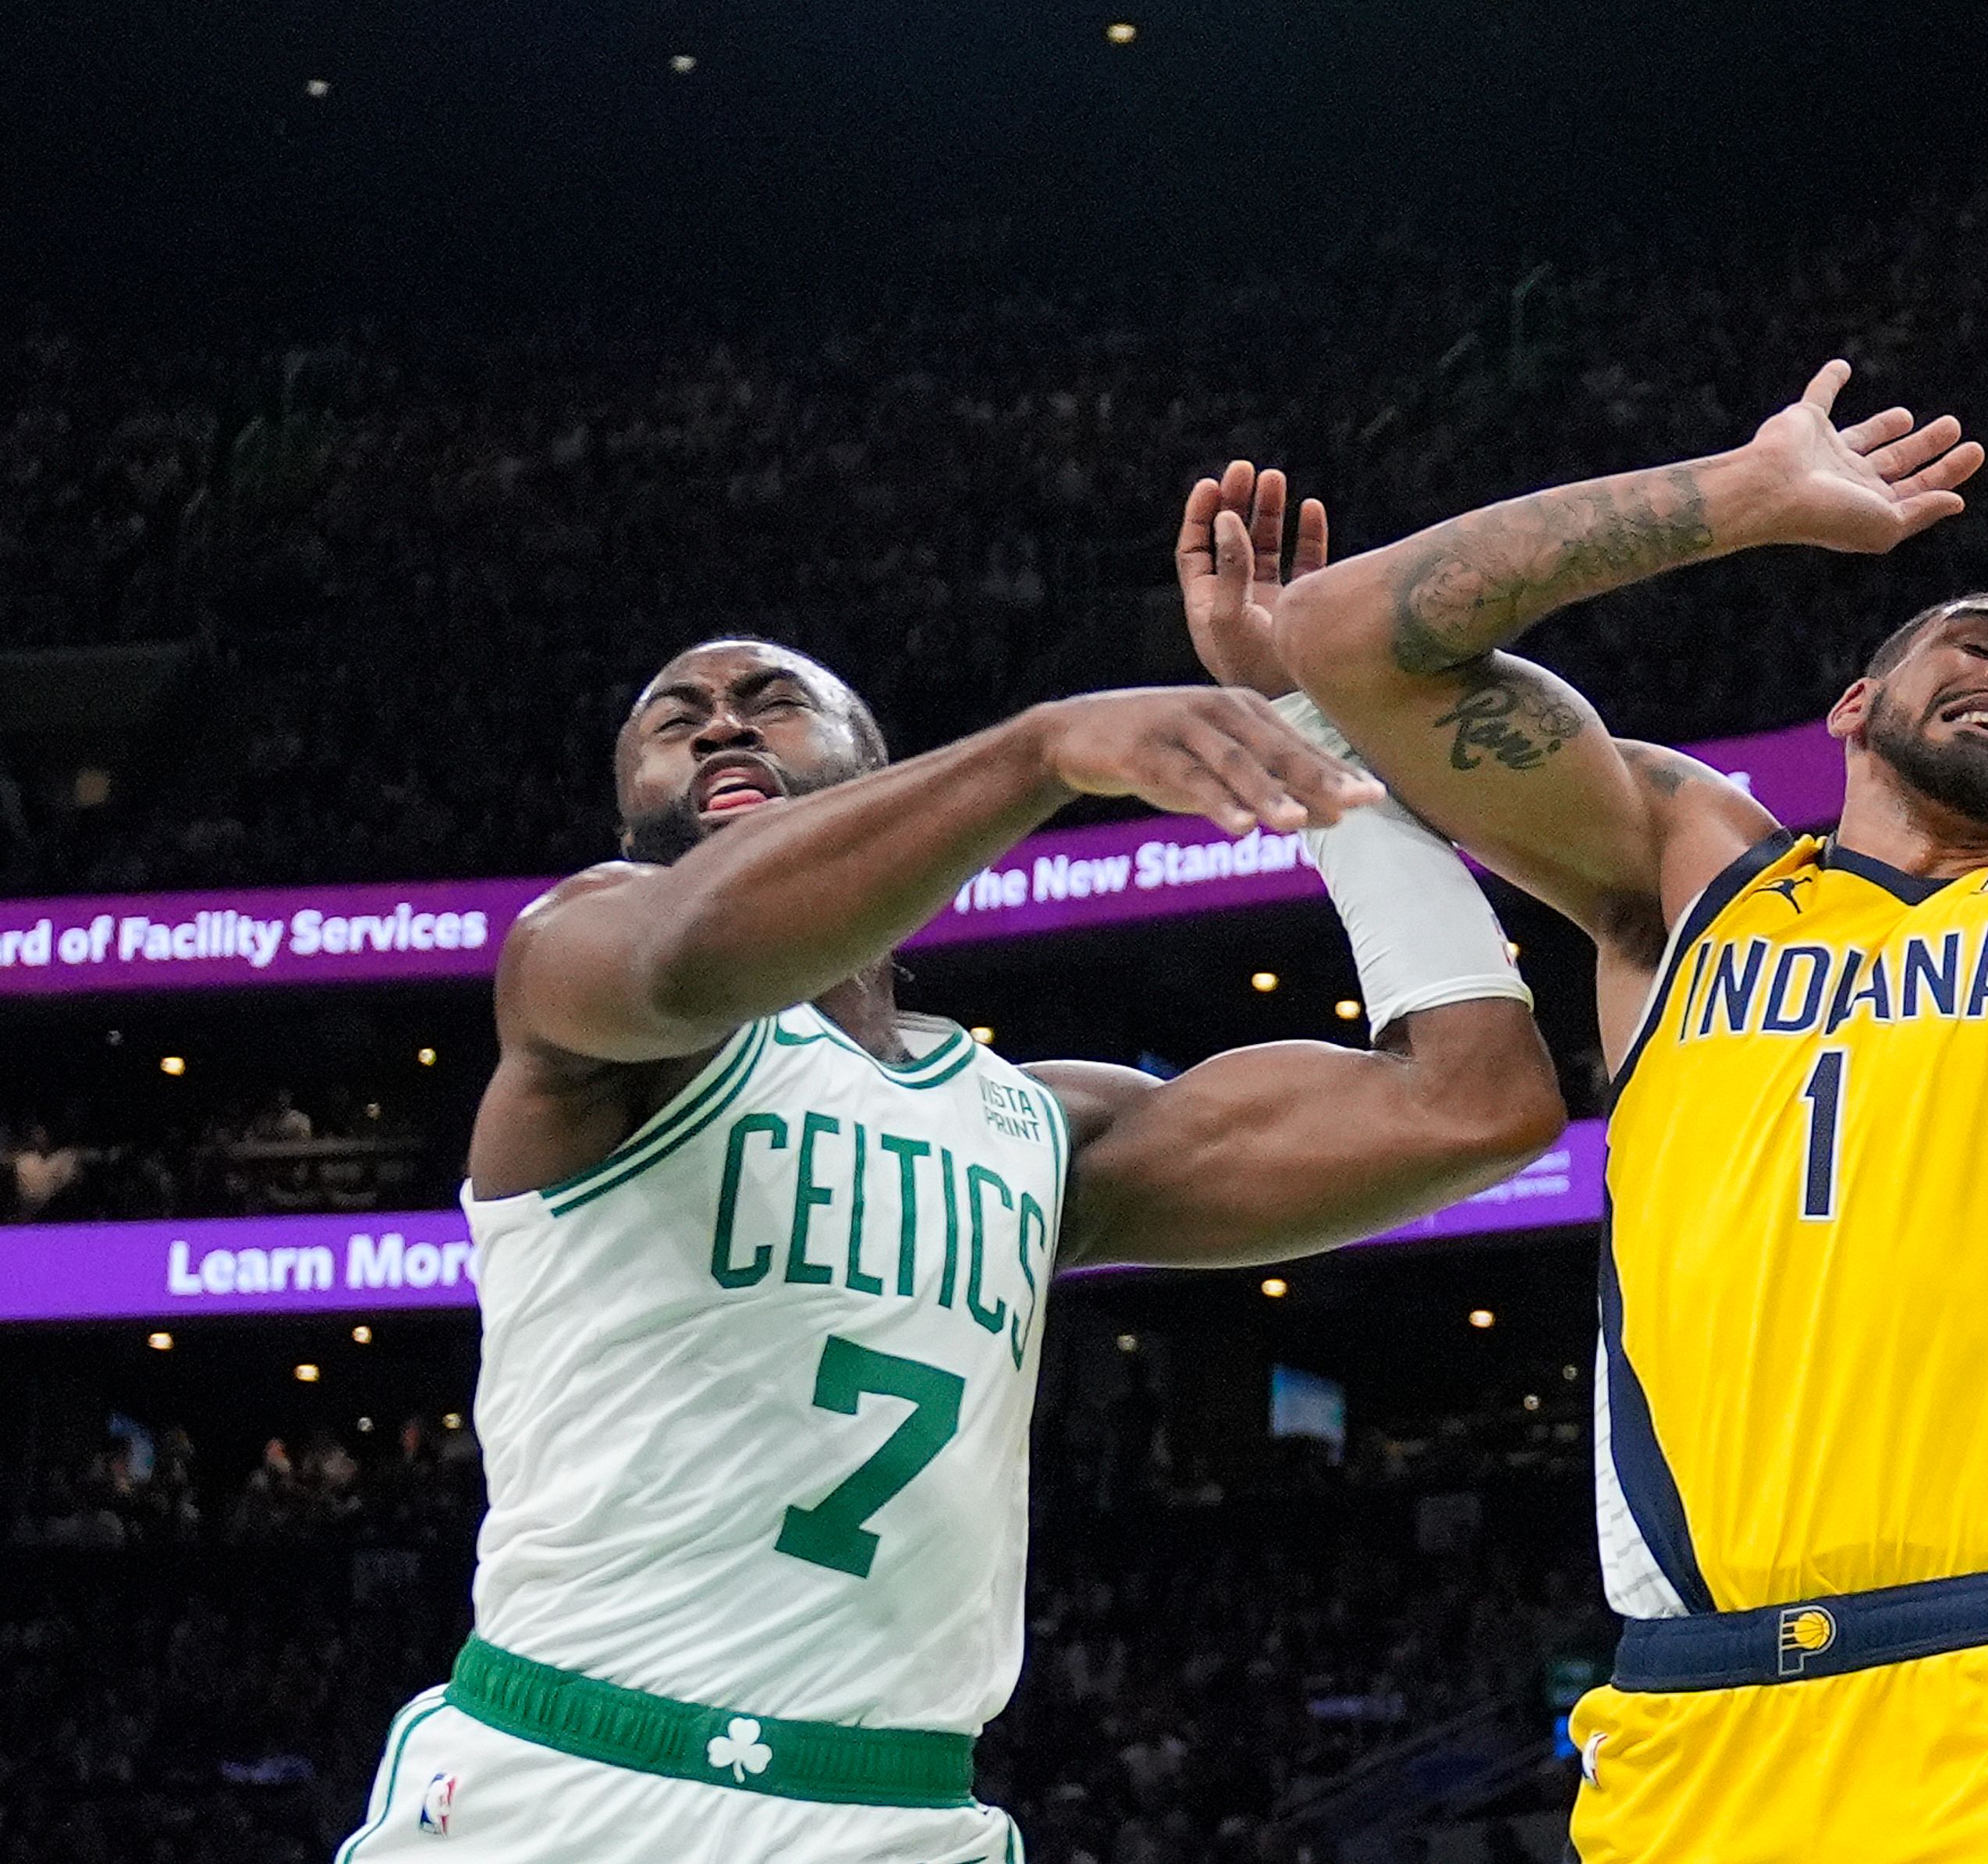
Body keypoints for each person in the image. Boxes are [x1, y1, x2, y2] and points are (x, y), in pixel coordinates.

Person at [1256, 164, 1988, 1861]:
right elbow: (1349, 642)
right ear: (1854, 699)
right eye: (1978, 639)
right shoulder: (1688, 870)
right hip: (1692, 1738)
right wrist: (1736, 498)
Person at [337, 636, 1564, 1862]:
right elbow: (685, 954)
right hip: (579, 1782)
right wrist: (1041, 752)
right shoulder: (581, 971)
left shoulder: (1040, 1127)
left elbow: (1473, 1104)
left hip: (902, 1813)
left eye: (773, 705)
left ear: (879, 773)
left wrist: (1322, 738)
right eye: (678, 718)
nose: (721, 727)